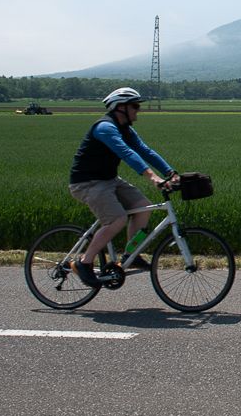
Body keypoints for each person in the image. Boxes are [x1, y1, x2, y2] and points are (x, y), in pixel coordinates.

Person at [68, 87, 178, 287]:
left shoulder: (125, 129)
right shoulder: (105, 128)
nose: (138, 110)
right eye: (135, 106)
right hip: (87, 183)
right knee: (117, 219)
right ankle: (84, 262)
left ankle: (131, 254)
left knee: (143, 208)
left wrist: (171, 173)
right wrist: (152, 177)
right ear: (120, 108)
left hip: (109, 180)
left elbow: (144, 151)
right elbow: (127, 153)